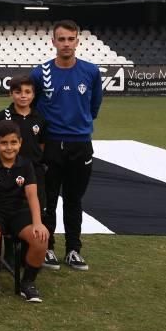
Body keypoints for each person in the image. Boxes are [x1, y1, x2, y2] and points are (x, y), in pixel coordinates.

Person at [30, 20, 103, 271]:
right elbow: (33, 108)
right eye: (61, 39)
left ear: (77, 41)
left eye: (70, 39)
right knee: (48, 200)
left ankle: (73, 249)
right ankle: (47, 247)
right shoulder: (40, 73)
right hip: (50, 145)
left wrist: (78, 126)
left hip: (80, 144)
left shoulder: (91, 72)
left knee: (74, 200)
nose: (66, 44)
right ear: (53, 42)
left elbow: (94, 107)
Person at [0, 121, 49, 303]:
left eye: (13, 142)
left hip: (19, 213)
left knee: (41, 238)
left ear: (20, 142)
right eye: (4, 143)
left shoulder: (26, 164)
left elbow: (32, 195)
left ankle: (28, 282)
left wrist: (38, 222)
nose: (9, 147)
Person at [0, 75, 54, 268]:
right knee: (5, 208)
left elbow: (41, 146)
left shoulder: (40, 119)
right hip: (7, 170)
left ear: (34, 94)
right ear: (11, 94)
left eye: (27, 92)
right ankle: (8, 253)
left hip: (33, 171)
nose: (23, 96)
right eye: (18, 92)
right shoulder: (3, 116)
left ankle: (31, 254)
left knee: (34, 208)